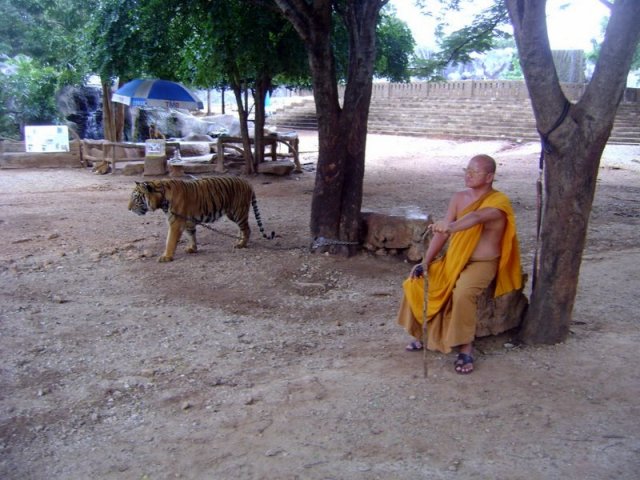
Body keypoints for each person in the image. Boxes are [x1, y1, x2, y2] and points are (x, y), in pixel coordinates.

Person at [396, 154, 523, 374]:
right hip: (454, 259)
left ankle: (466, 347)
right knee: (415, 280)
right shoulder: (458, 197)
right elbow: (441, 235)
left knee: (463, 292)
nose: (468, 174)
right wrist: (425, 262)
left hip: (482, 263)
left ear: (490, 176)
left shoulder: (498, 202)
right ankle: (422, 334)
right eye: (467, 170)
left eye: (475, 172)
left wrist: (451, 227)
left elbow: (475, 218)